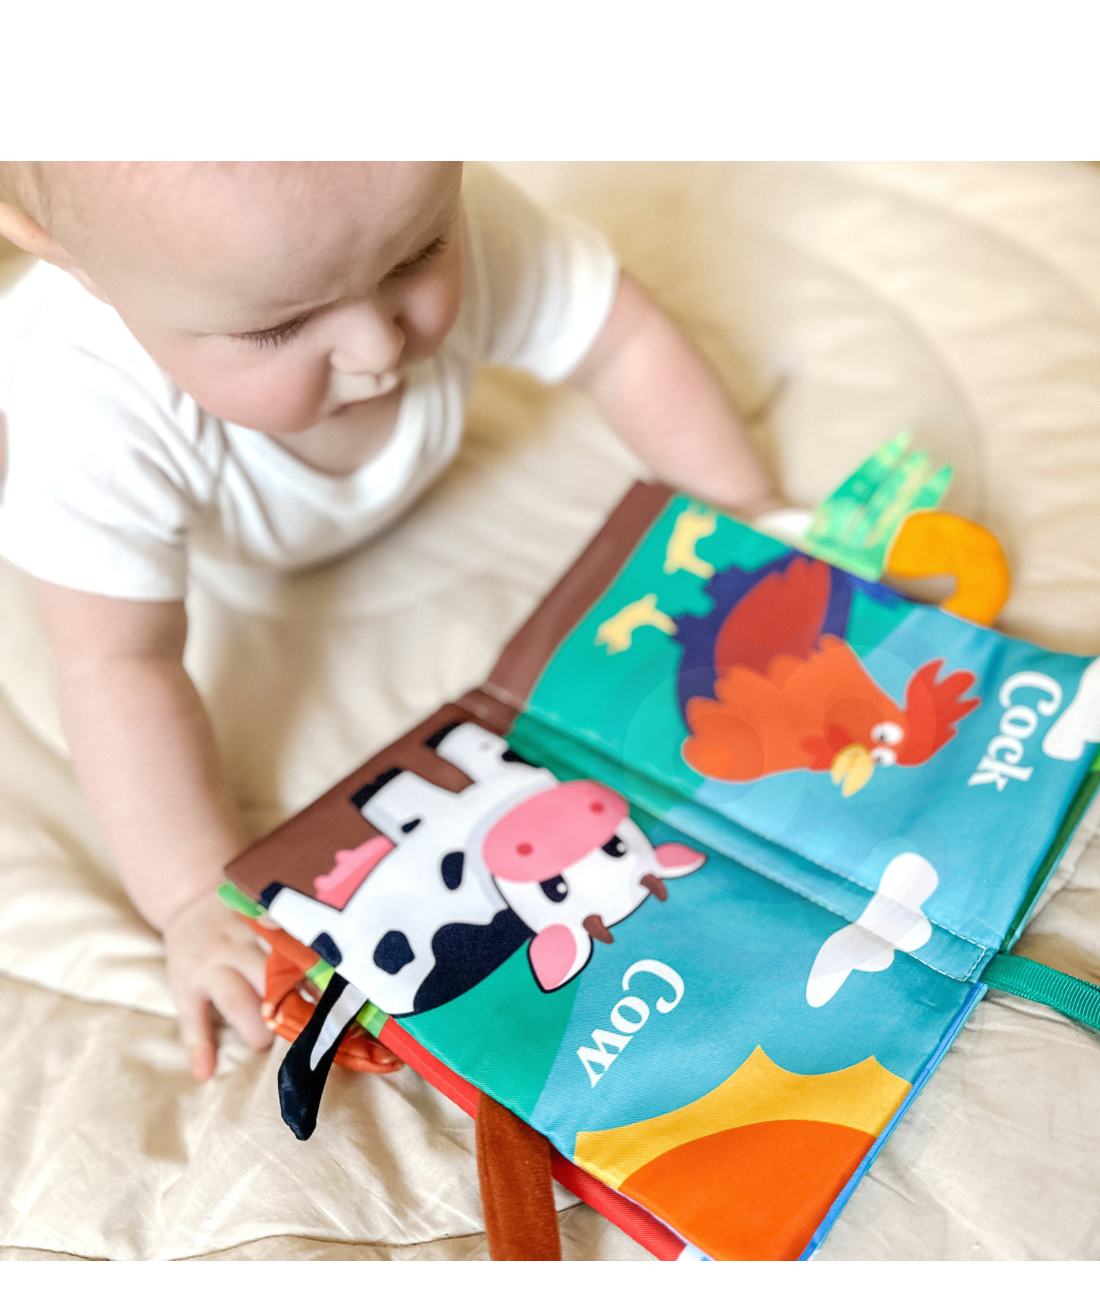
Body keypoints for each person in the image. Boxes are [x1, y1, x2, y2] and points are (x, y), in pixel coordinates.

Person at [0, 162, 779, 1081]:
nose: (377, 344)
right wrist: (192, 899)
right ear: (73, 262)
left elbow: (621, 337)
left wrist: (751, 520)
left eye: (417, 256)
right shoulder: (86, 409)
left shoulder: (416, 216)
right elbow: (117, 662)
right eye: (277, 327)